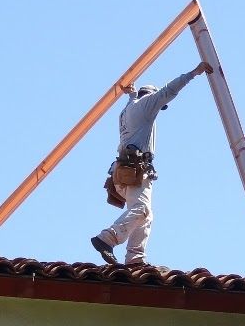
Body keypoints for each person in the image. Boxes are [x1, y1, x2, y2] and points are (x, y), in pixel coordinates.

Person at [91, 60, 212, 266]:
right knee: (142, 210)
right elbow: (170, 90)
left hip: (123, 172)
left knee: (146, 215)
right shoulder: (147, 106)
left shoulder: (130, 107)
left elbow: (134, 100)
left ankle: (135, 259)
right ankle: (107, 238)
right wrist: (195, 72)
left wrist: (131, 92)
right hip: (135, 170)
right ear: (151, 98)